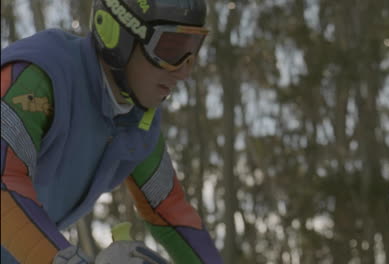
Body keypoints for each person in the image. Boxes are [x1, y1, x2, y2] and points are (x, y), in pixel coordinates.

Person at [0, 0, 223, 263]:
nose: (185, 70)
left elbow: (169, 210)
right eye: (171, 48)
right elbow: (4, 183)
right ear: (116, 34)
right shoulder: (37, 77)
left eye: (192, 50)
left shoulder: (138, 121)